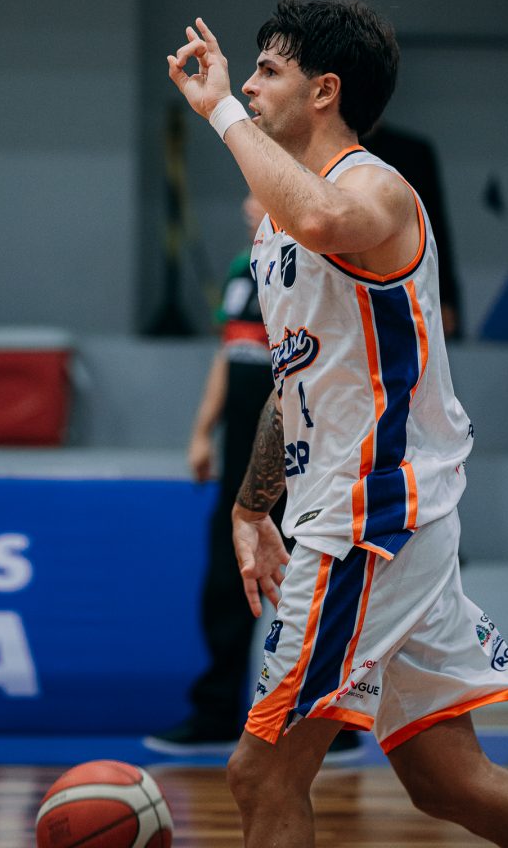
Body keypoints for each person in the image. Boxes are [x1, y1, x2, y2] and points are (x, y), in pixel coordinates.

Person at [167, 0, 508, 847]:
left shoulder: (375, 189)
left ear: (325, 91)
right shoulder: (274, 233)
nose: (251, 86)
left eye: (268, 71)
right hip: (372, 516)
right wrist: (252, 507)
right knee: (450, 780)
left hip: (370, 517)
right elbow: (297, 378)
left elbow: (321, 218)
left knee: (261, 772)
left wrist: (221, 111)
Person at [147, 193, 362, 763]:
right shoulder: (243, 270)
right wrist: (202, 430)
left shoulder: (315, 267)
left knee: (305, 588)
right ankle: (217, 712)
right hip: (241, 460)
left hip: (305, 462)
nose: (246, 205)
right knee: (226, 583)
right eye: (242, 195)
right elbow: (228, 356)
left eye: (257, 193)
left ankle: (325, 721)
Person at [363, 120, 462, 338]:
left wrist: (444, 296)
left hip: (409, 284)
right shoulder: (325, 151)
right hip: (353, 284)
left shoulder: (412, 152)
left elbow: (434, 227)